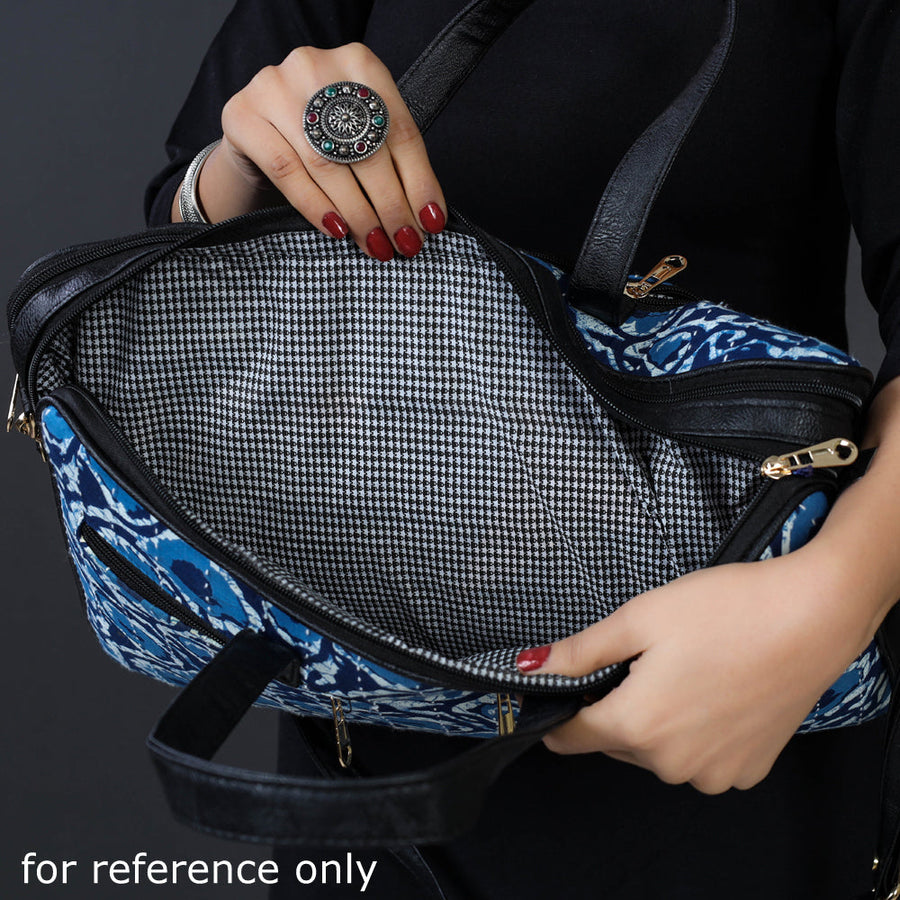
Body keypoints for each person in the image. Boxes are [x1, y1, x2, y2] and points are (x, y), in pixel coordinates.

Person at [145, 1, 900, 896]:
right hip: (366, 700)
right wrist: (251, 157)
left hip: (726, 696)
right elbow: (177, 259)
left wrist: (835, 596)